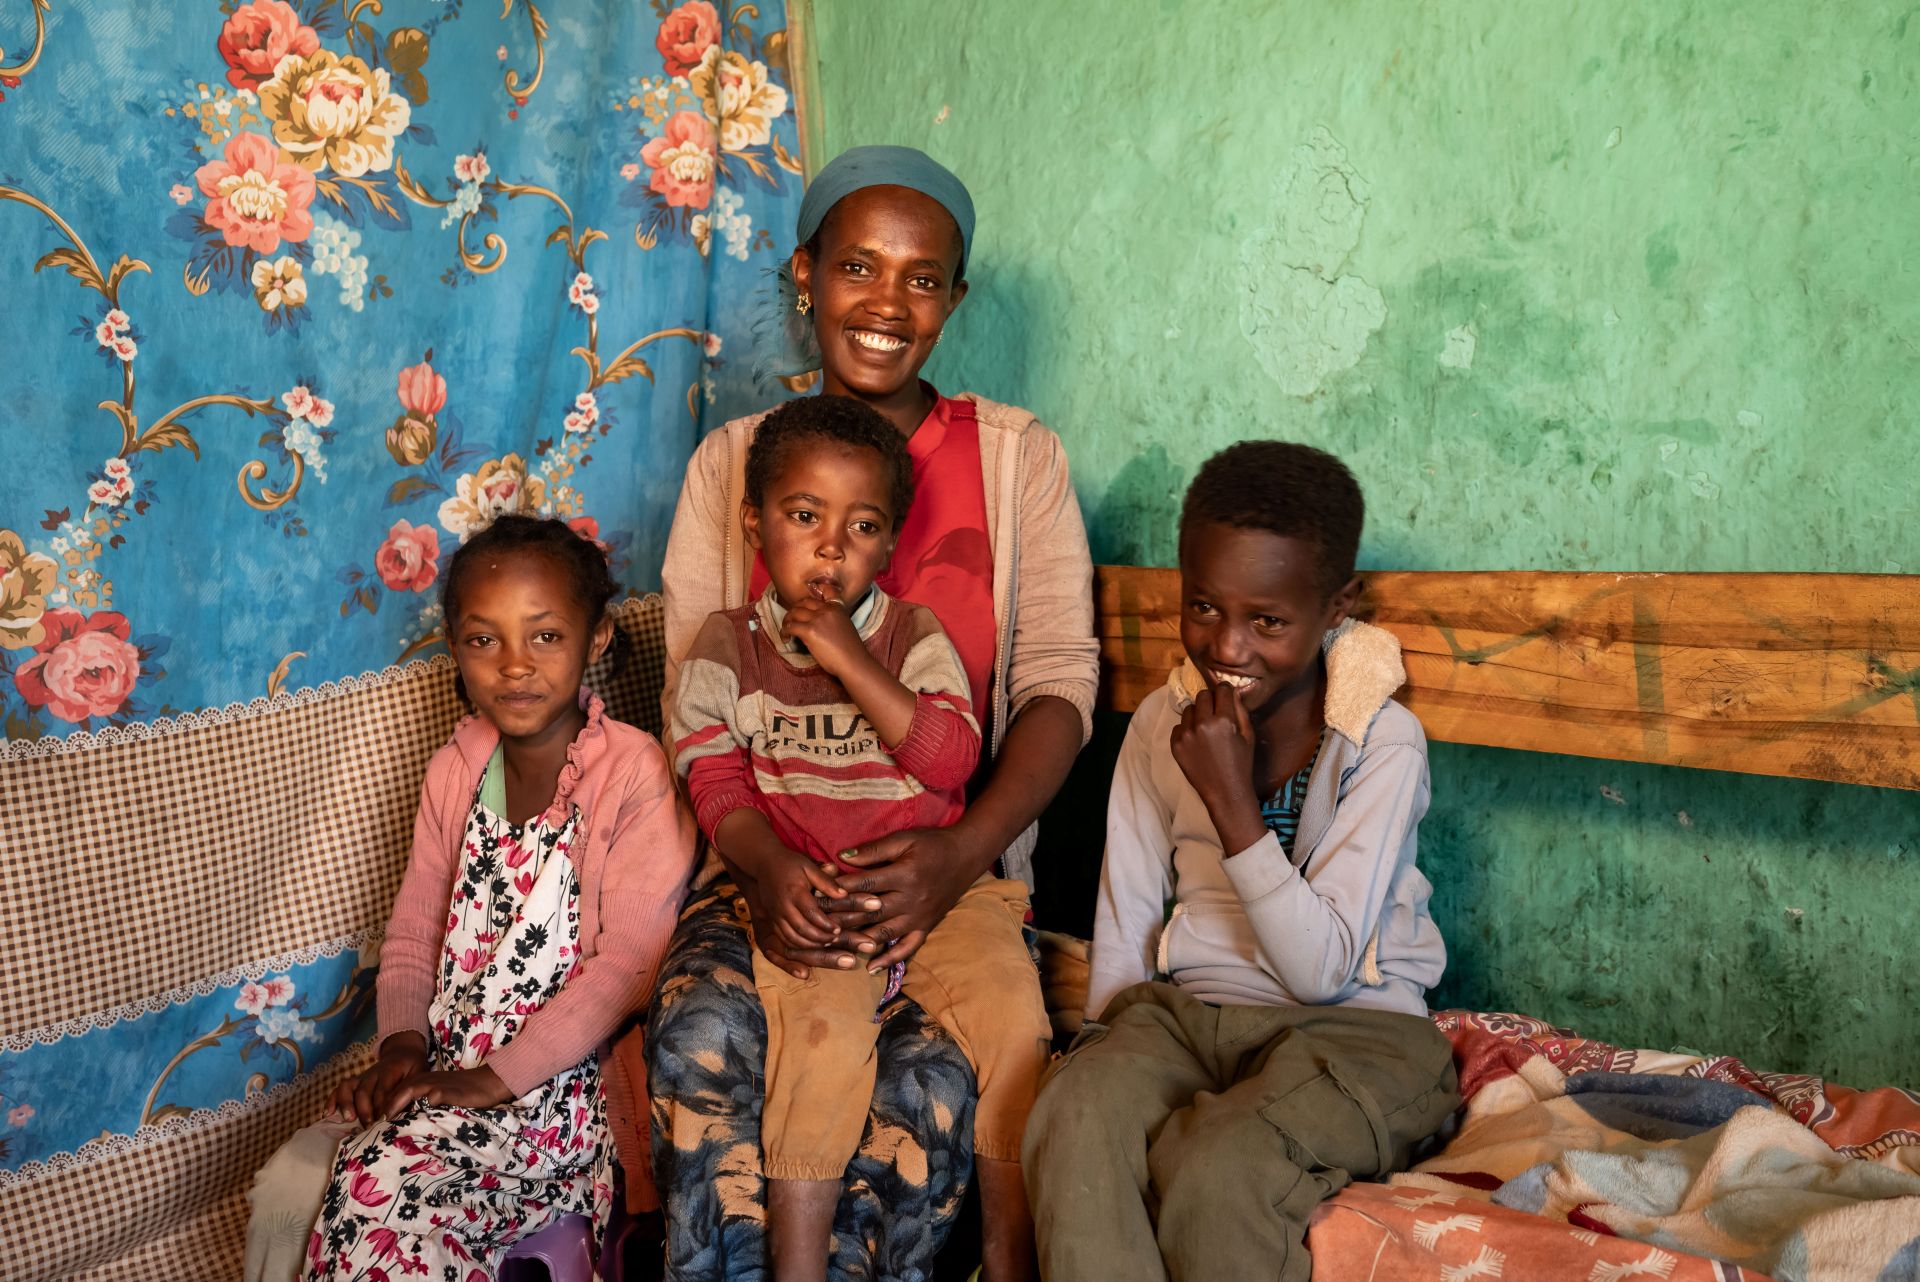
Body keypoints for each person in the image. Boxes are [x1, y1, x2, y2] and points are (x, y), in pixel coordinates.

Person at [653, 145, 1097, 1282]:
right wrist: (761, 869)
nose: (887, 303)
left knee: (927, 1090)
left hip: (962, 866)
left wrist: (958, 853)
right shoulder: (729, 467)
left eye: (922, 277)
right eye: (857, 265)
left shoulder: (1017, 458)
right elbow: (697, 708)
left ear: (954, 295)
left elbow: (1058, 686)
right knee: (708, 1044)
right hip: (767, 859)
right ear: (805, 274)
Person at [1021, 442, 1460, 1282]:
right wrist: (1110, 1055)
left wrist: (1230, 800)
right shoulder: (1162, 721)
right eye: (1203, 607)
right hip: (1191, 1022)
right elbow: (1129, 911)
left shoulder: (1382, 744)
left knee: (1219, 1167)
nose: (1227, 645)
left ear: (1335, 607)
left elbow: (1321, 969)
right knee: (1073, 1111)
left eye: (1267, 621)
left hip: (1358, 1035)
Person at [671, 395, 1049, 1282]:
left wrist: (849, 657)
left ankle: (1011, 1261)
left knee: (1015, 1022)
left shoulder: (914, 637)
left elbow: (951, 758)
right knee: (818, 1052)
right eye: (805, 517)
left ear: (890, 542)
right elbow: (716, 782)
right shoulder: (724, 648)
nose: (832, 547)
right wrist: (771, 872)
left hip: (942, 894)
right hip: (815, 899)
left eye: (863, 526)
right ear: (755, 522)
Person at [292, 515, 696, 1278]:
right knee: (353, 1176)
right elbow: (414, 928)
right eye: (485, 640)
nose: (515, 666)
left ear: (597, 638)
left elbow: (631, 967)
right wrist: (405, 1048)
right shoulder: (457, 766)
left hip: (562, 1099)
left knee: (382, 1184)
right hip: (452, 1065)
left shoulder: (632, 774)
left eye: (544, 637)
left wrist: (493, 1080)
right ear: (455, 648)